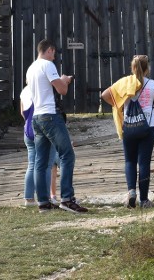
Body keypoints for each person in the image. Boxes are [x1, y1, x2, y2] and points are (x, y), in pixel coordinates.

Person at [28, 38, 88, 213]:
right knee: (67, 155)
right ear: (49, 50)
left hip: (37, 117)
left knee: (41, 161)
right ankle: (67, 199)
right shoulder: (47, 65)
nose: (54, 57)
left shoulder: (31, 68)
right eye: (53, 53)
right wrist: (65, 80)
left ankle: (43, 202)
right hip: (50, 115)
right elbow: (62, 90)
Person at [101, 54, 154, 209]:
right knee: (144, 162)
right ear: (147, 69)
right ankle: (144, 200)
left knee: (130, 160)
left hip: (129, 127)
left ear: (133, 68)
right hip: (147, 127)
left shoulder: (126, 83)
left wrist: (119, 104)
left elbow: (104, 95)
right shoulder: (152, 85)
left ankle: (131, 192)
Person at [20, 84, 59, 207]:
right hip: (44, 129)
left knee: (32, 165)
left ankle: (29, 198)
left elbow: (23, 112)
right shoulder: (44, 89)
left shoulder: (25, 91)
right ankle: (45, 197)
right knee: (47, 165)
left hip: (29, 130)